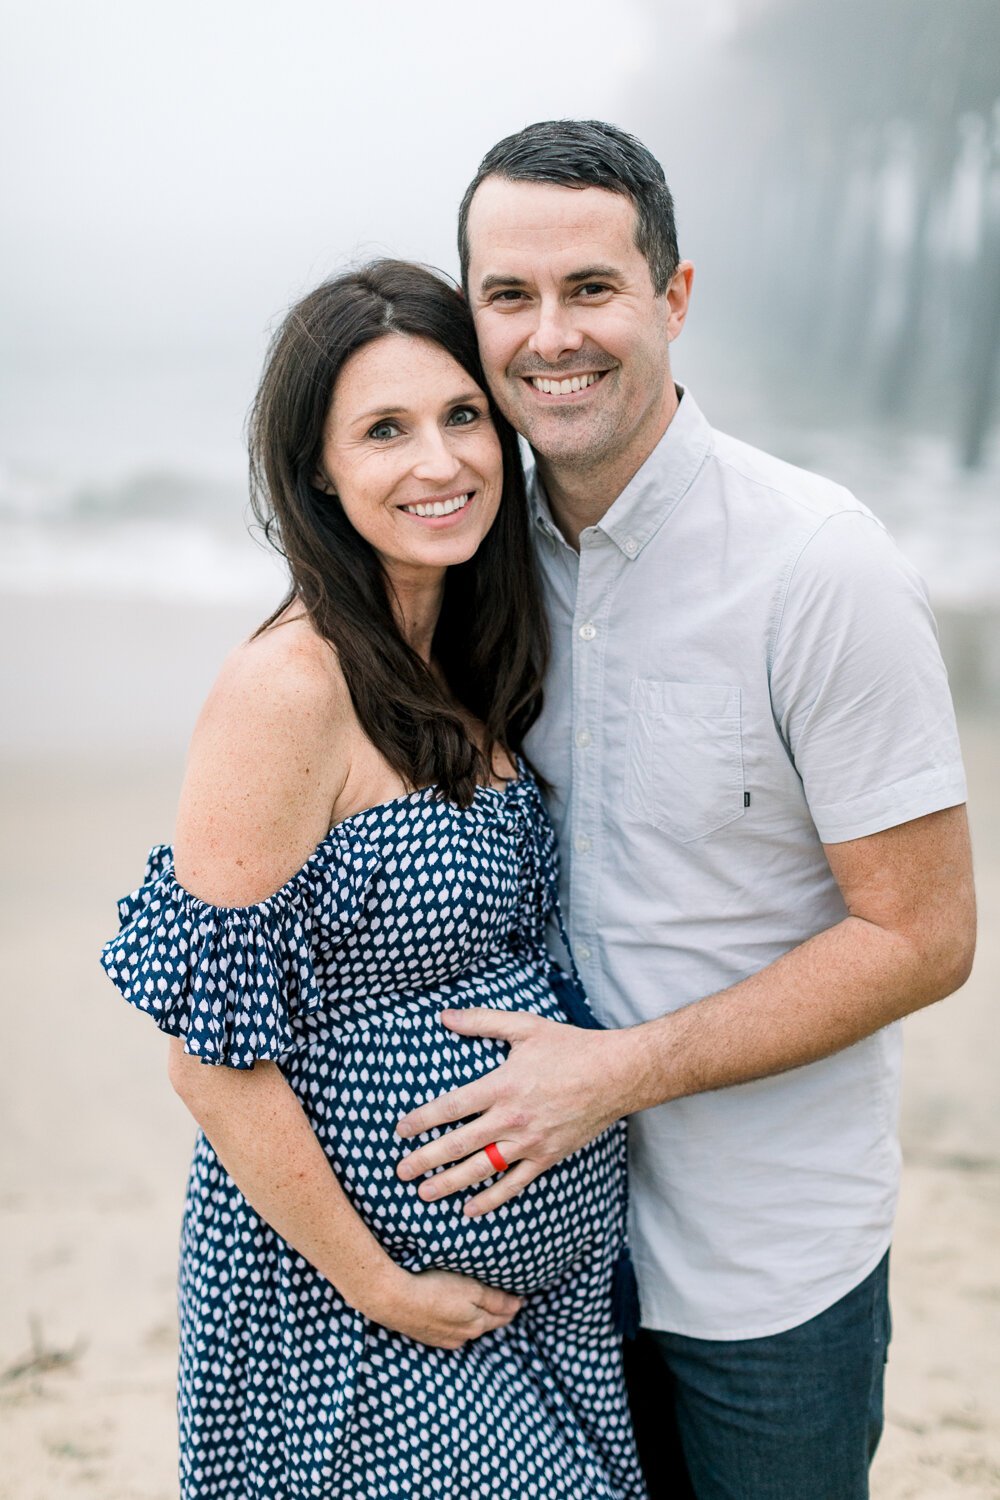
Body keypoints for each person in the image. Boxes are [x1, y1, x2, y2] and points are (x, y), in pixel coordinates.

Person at [392, 121, 978, 1499]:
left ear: (674, 298)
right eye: (509, 297)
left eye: (592, 288)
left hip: (766, 1273)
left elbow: (927, 936)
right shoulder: (468, 564)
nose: (552, 337)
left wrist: (615, 1075)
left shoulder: (818, 567)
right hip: (535, 1256)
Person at [100, 260, 648, 1500]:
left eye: (462, 416)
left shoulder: (467, 652)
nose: (439, 461)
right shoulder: (290, 690)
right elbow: (209, 1060)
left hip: (528, 1306)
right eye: (384, 430)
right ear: (319, 474)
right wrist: (379, 1281)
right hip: (353, 1312)